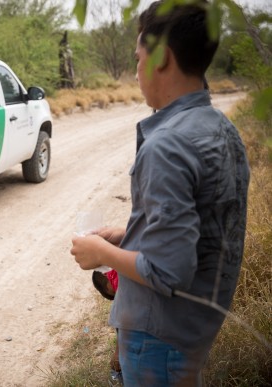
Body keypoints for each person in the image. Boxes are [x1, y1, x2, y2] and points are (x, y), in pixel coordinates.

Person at [70, 1, 250, 385]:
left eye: (138, 59)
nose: (136, 73)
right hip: (192, 329)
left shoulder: (167, 145)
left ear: (162, 59)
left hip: (159, 337)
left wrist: (101, 253)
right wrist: (128, 235)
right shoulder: (220, 127)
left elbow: (169, 271)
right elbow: (203, 229)